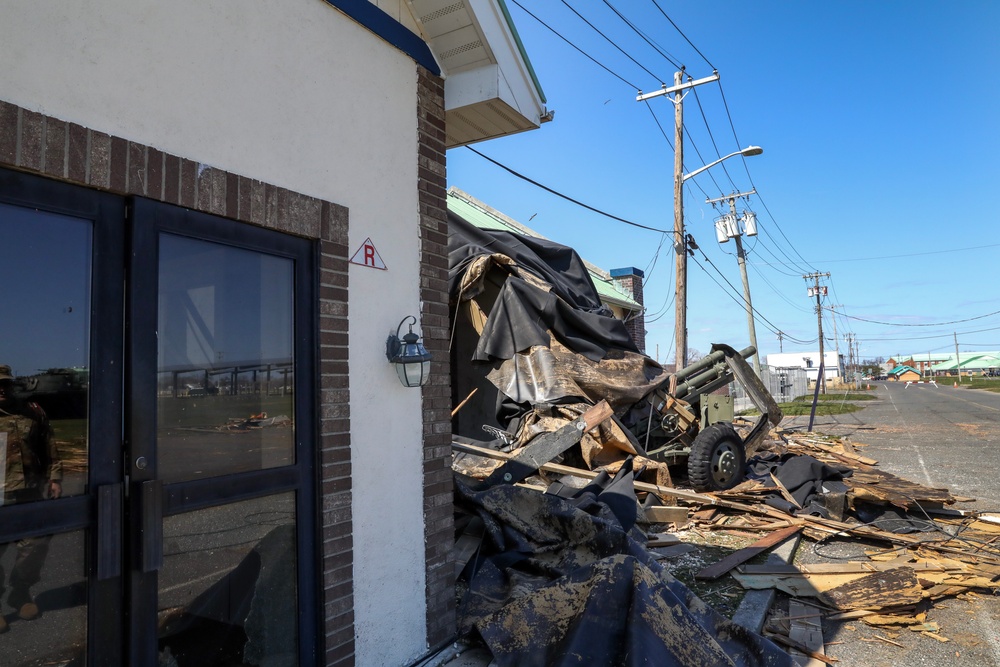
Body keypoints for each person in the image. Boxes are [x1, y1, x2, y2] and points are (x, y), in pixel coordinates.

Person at [0, 364, 61, 633]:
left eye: (4, 384)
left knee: (36, 544)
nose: (1, 390)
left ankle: (20, 593)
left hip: (28, 492)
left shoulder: (32, 412)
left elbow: (49, 443)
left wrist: (55, 477)